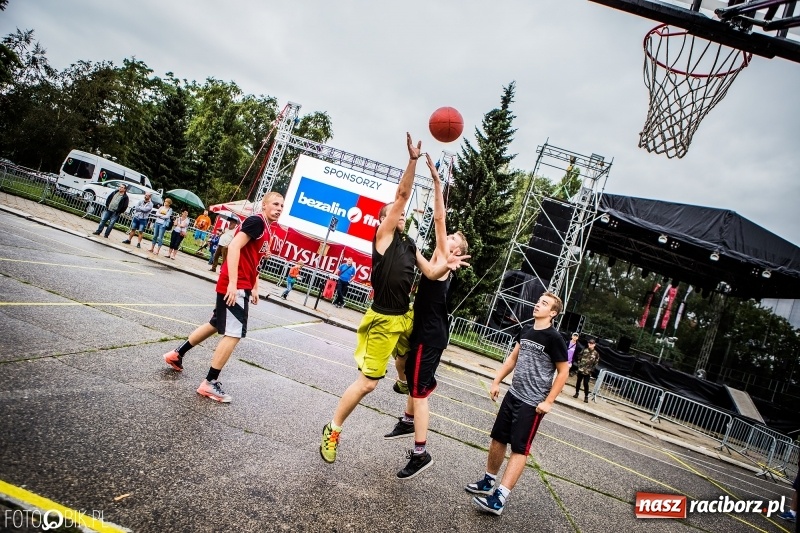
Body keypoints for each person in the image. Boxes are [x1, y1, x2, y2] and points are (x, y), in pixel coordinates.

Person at [320, 133, 468, 464]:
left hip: (406, 317)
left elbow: (430, 274)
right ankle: (333, 428)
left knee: (408, 358)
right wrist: (413, 161)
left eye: (401, 215)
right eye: (394, 213)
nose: (400, 215)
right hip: (383, 319)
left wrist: (447, 263)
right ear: (384, 220)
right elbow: (402, 195)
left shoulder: (410, 245)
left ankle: (404, 385)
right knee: (369, 384)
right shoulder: (383, 238)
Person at [383, 152, 469, 479]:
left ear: (455, 253)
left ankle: (420, 453)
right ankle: (407, 421)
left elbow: (439, 220)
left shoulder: (442, 267)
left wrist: (436, 182)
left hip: (431, 337)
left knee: (418, 393)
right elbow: (433, 229)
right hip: (426, 333)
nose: (444, 238)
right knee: (407, 369)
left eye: (450, 241)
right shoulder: (436, 260)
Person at [162, 192, 283, 402]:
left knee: (216, 323)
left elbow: (253, 259)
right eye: (275, 204)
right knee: (234, 334)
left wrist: (255, 286)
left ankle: (176, 354)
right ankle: (209, 383)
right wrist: (235, 285)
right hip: (236, 284)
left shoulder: (265, 227)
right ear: (264, 205)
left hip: (243, 282)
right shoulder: (257, 222)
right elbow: (234, 246)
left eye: (282, 205)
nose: (279, 208)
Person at [466, 292, 569, 516]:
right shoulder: (526, 330)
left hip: (532, 403)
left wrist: (548, 401)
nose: (537, 305)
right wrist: (496, 380)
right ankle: (488, 481)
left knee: (519, 449)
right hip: (513, 394)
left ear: (553, 312)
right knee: (498, 438)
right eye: (538, 301)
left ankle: (500, 498)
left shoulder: (554, 338)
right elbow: (513, 358)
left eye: (544, 303)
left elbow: (563, 372)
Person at [574, 337, 600, 403]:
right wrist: (579, 365)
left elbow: (596, 363)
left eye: (592, 343)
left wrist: (591, 370)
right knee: (578, 382)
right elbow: (579, 357)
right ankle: (576, 393)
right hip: (581, 369)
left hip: (588, 371)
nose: (590, 344)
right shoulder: (584, 350)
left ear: (594, 344)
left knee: (586, 383)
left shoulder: (596, 353)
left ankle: (586, 396)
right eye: (589, 343)